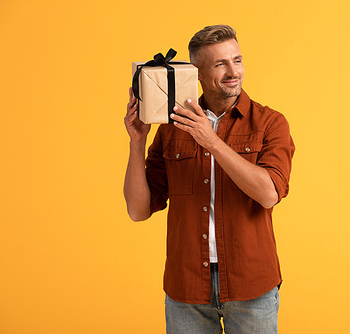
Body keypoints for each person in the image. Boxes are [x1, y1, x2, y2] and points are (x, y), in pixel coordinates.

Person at [123, 25, 295, 334]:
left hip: (251, 286)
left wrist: (212, 141)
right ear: (197, 73)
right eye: (220, 64)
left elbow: (269, 194)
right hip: (187, 289)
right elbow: (138, 210)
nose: (234, 72)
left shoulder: (270, 122)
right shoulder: (170, 128)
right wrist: (137, 142)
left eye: (237, 60)